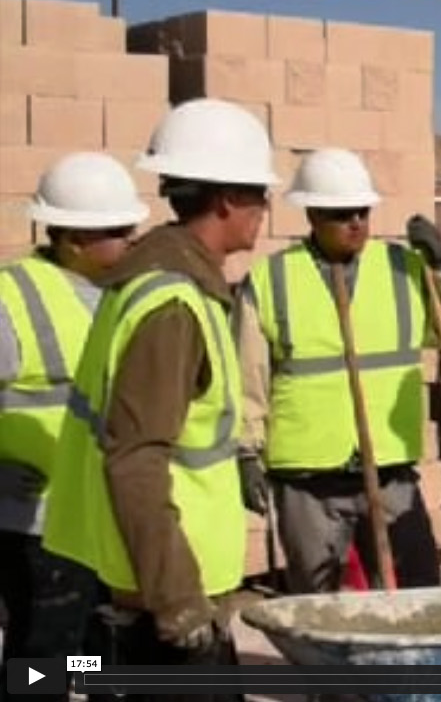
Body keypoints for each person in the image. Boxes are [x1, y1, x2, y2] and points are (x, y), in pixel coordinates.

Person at [41, 98, 280, 701]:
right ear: (227, 199)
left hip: (156, 584)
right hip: (164, 598)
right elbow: (136, 459)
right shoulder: (172, 304)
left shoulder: (165, 284)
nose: (265, 211)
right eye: (259, 195)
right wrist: (178, 603)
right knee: (53, 667)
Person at [232, 147, 441, 594]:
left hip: (389, 470)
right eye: (340, 213)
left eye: (362, 212)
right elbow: (246, 379)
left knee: (418, 593)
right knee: (321, 605)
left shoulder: (404, 269)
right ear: (311, 214)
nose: (355, 222)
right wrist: (246, 453)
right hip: (307, 477)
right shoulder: (271, 279)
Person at [0, 153, 147, 702]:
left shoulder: (120, 293)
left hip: (99, 516)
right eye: (118, 231)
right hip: (38, 523)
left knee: (90, 640)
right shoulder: (13, 295)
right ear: (74, 239)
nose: (131, 240)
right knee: (43, 651)